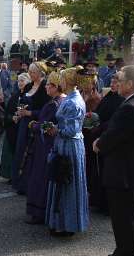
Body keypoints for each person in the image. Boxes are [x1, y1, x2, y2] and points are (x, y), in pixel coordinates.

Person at [92, 65, 134, 256]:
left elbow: (114, 135)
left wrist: (99, 144)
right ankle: (131, 254)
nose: (116, 82)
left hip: (125, 170)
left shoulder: (131, 106)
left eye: (120, 79)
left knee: (124, 217)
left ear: (130, 84)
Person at [45, 67, 89, 237]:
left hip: (69, 145)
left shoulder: (72, 102)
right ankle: (62, 222)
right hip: (67, 144)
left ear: (68, 82)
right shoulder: (72, 98)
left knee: (66, 181)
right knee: (63, 181)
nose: (60, 81)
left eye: (62, 78)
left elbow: (71, 130)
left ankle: (66, 224)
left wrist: (55, 130)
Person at [25, 71, 62, 224]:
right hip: (46, 144)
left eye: (49, 85)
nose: (46, 87)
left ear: (56, 87)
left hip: (45, 145)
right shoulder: (57, 101)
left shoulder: (55, 103)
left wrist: (33, 125)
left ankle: (39, 212)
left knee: (41, 177)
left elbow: (46, 125)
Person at [85, 75, 125, 212]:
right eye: (112, 82)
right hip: (99, 135)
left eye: (116, 82)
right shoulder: (108, 96)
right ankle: (97, 199)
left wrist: (100, 127)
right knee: (98, 171)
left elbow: (116, 120)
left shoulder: (123, 99)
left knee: (108, 173)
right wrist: (93, 116)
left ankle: (107, 204)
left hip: (109, 138)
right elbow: (100, 111)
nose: (113, 85)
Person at [11, 64, 51, 193]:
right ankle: (18, 181)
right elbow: (21, 103)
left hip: (35, 124)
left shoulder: (45, 88)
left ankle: (29, 185)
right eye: (29, 72)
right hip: (23, 124)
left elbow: (47, 110)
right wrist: (19, 113)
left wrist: (29, 113)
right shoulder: (28, 86)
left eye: (33, 72)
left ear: (40, 73)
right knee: (20, 151)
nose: (30, 74)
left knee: (32, 154)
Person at [0, 73, 29, 181]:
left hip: (23, 128)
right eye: (19, 81)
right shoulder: (14, 95)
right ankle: (10, 175)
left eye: (23, 81)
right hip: (12, 128)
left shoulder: (30, 96)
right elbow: (7, 112)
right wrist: (12, 118)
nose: (20, 83)